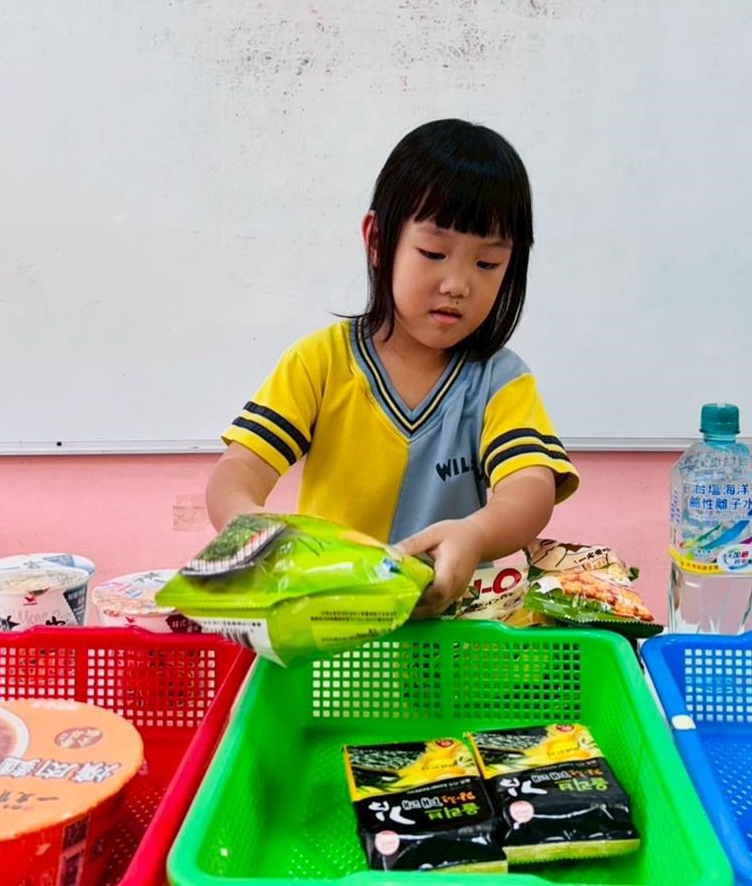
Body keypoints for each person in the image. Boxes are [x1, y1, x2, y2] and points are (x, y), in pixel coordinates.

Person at [205, 119, 579, 615]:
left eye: (487, 264)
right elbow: (240, 468)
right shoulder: (319, 363)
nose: (457, 284)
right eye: (433, 252)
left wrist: (475, 533)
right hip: (331, 625)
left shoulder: (500, 380)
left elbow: (529, 488)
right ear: (378, 241)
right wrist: (249, 523)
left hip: (451, 633)